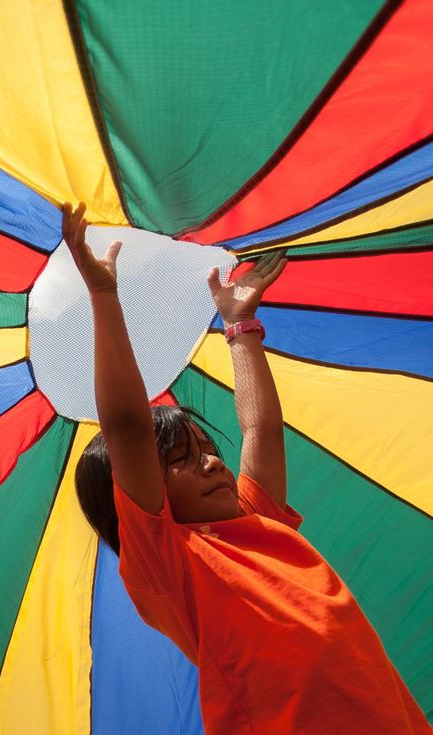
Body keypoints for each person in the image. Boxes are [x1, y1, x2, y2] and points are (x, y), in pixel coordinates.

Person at [62, 202, 430, 734]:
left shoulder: (254, 523)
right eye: (181, 459)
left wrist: (239, 326)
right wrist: (103, 295)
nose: (213, 461)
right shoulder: (168, 561)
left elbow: (260, 429)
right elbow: (126, 427)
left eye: (207, 448)